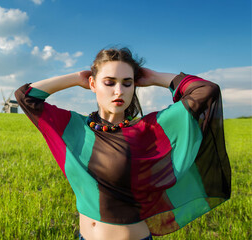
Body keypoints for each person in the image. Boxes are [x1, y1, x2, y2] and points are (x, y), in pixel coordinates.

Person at [15, 47, 231, 240]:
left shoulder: (148, 130)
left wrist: (154, 77)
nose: (119, 91)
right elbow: (26, 97)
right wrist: (76, 78)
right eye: (109, 82)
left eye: (127, 83)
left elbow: (206, 90)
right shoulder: (72, 126)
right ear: (93, 83)